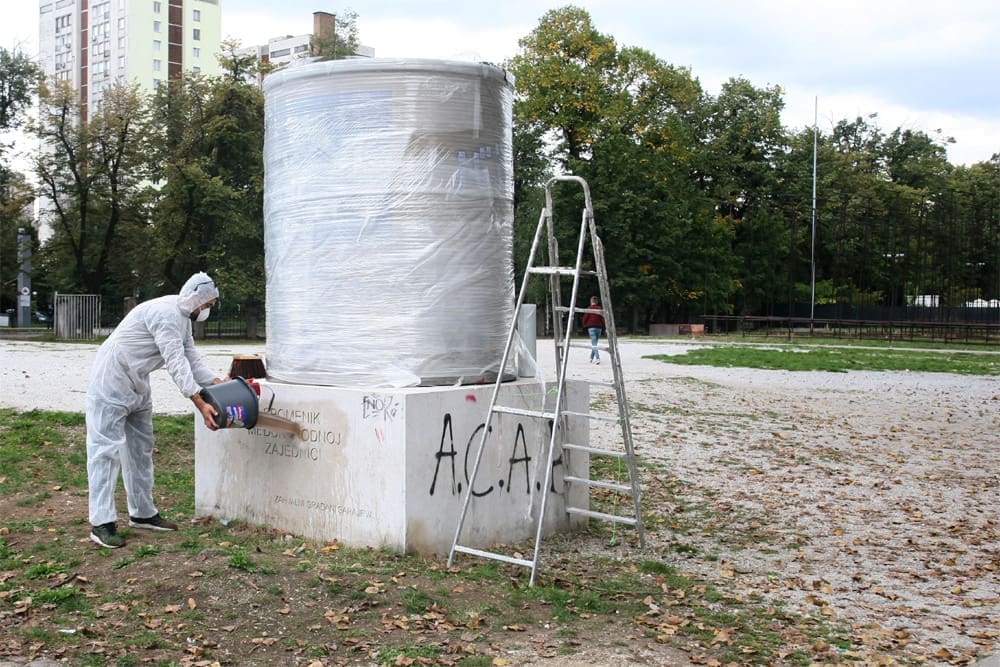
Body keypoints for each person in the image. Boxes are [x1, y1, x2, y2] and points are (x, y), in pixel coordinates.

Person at [86, 272, 225, 549]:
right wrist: (198, 400)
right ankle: (101, 522)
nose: (206, 311)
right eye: (207, 305)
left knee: (140, 449)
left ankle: (143, 513)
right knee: (106, 451)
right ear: (196, 298)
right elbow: (175, 361)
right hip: (111, 382)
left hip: (137, 384)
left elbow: (191, 359)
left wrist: (217, 382)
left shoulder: (182, 320)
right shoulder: (165, 313)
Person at [581, 296, 605, 364]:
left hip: (591, 327)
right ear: (597, 302)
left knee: (594, 344)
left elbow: (585, 318)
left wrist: (584, 324)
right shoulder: (599, 309)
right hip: (599, 328)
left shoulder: (589, 309)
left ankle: (597, 358)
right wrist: (603, 326)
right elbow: (602, 319)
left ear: (591, 301)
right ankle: (591, 358)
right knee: (595, 343)